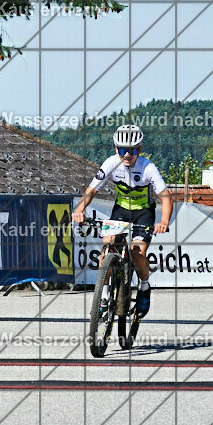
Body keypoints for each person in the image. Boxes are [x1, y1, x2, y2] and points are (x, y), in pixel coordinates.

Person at [71, 124, 172, 318]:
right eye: (123, 150)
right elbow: (92, 190)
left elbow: (166, 197)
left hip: (143, 212)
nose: (127, 155)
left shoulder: (147, 167)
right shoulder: (110, 163)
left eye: (132, 150)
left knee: (137, 251)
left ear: (139, 150)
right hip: (121, 210)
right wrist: (79, 209)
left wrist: (164, 221)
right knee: (107, 246)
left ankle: (144, 287)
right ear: (117, 149)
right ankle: (105, 295)